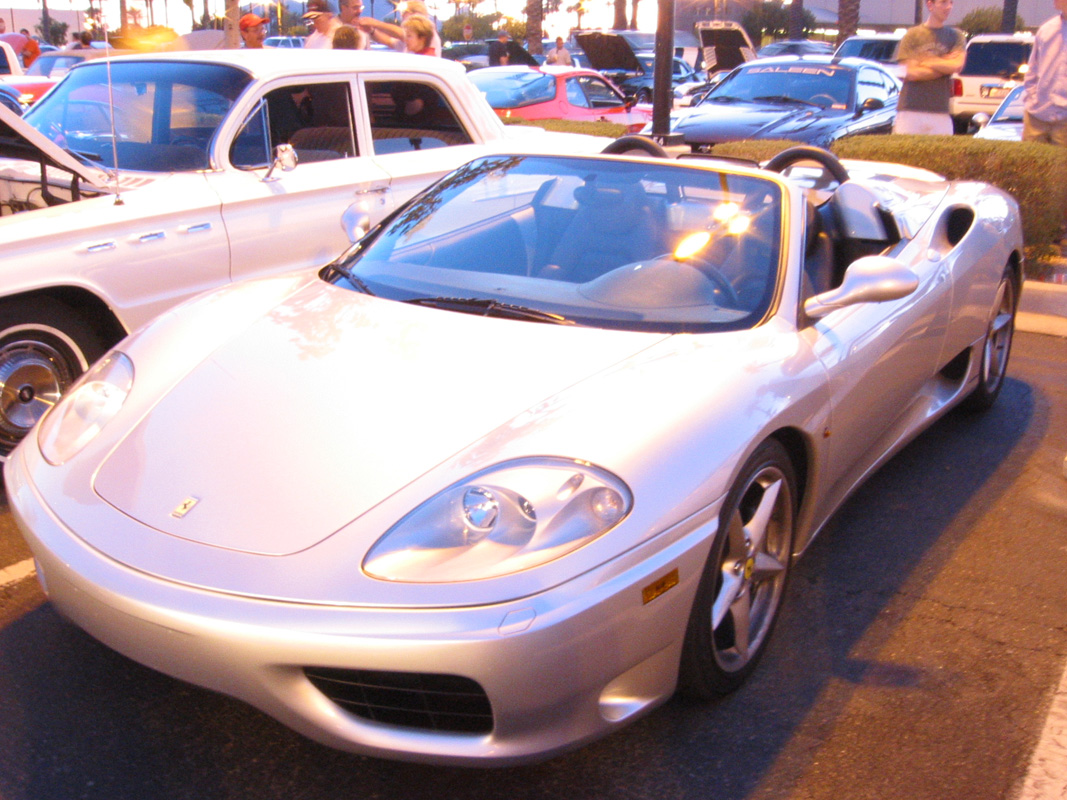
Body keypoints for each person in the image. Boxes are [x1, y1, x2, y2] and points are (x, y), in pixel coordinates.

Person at [893, 0, 965, 135]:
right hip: (910, 111)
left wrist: (926, 60)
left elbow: (956, 65)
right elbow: (910, 73)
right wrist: (944, 65)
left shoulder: (955, 36)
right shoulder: (912, 35)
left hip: (941, 111)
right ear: (930, 5)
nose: (948, 7)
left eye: (951, 2)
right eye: (943, 2)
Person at [1023, 0, 1067, 148]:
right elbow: (1032, 70)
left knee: (1062, 170)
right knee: (1028, 166)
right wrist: (1033, 97)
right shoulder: (1046, 29)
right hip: (1037, 116)